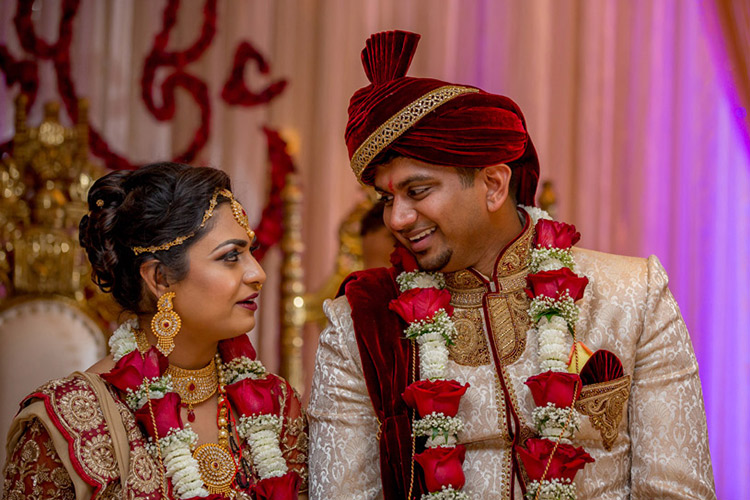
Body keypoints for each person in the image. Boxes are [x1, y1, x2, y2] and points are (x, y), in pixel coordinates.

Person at [307, 30, 715, 499]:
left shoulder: (632, 294)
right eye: (386, 197)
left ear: (494, 185)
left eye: (417, 191)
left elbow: (675, 491)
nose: (396, 219)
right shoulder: (361, 325)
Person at [3, 163, 307, 499]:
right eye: (231, 256)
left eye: (252, 251)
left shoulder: (276, 404)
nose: (258, 273)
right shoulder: (73, 422)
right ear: (160, 278)